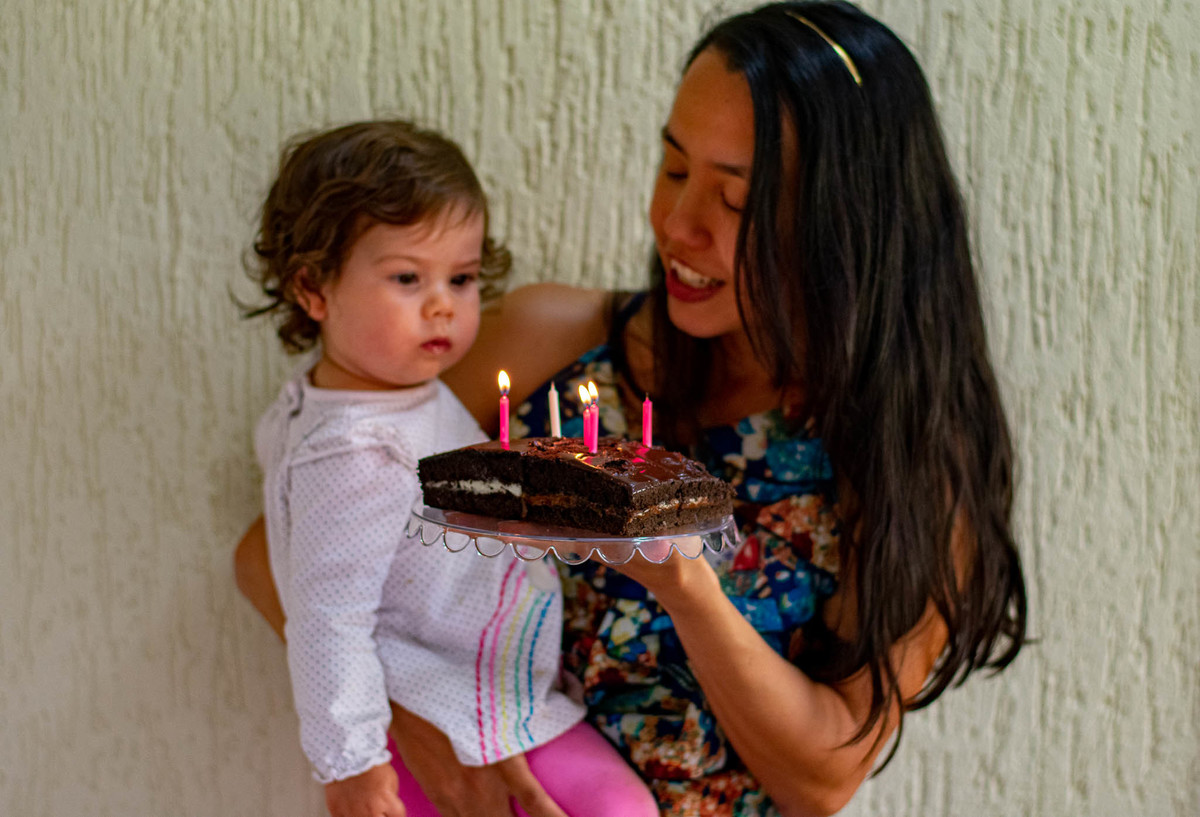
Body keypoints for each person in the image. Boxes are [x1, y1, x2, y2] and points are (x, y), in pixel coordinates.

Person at [235, 4, 1028, 815]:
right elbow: (277, 551)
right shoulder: (549, 346)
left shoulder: (910, 467)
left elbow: (823, 775)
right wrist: (425, 731)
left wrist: (686, 585)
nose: (679, 225)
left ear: (842, 225)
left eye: (735, 199)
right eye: (675, 168)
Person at [240, 120, 658, 817]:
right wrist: (354, 766)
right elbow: (326, 618)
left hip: (485, 690)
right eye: (407, 277)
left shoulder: (370, 397)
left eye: (461, 278)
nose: (443, 303)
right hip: (450, 708)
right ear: (313, 289)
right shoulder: (356, 452)